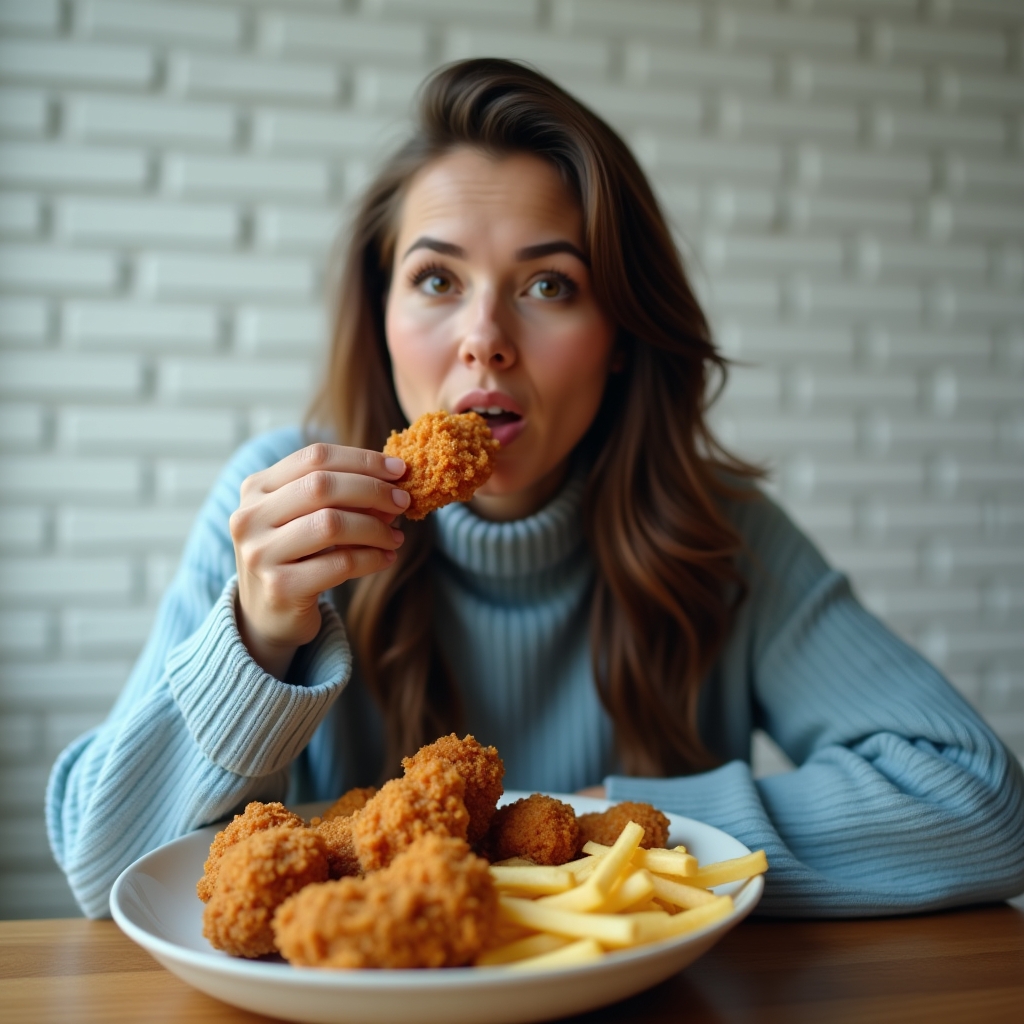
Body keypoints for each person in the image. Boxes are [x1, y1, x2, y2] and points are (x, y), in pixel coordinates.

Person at [47, 59, 1024, 920]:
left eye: (549, 284)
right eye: (436, 281)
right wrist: (258, 636)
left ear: (622, 339)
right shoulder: (278, 512)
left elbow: (981, 803)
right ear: (380, 318)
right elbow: (102, 865)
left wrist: (605, 828)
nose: (484, 337)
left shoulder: (723, 536)